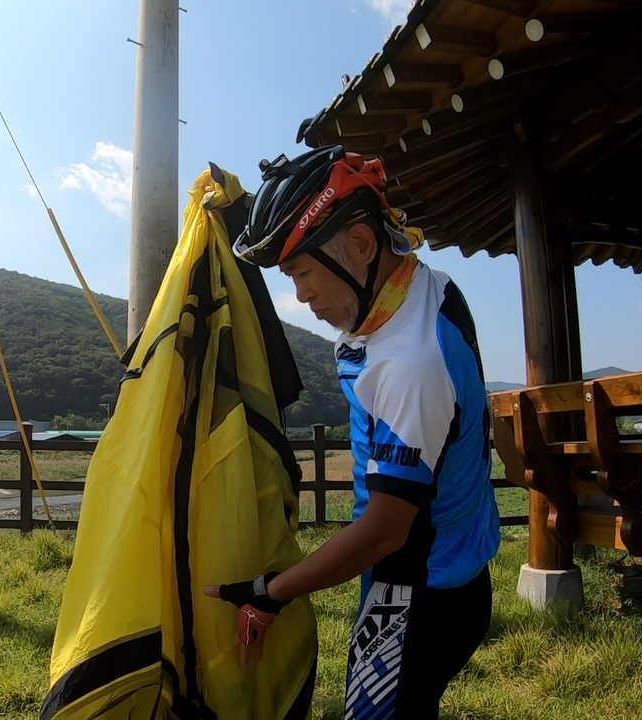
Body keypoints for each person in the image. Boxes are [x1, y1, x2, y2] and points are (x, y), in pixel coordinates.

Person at [205, 146, 500, 719]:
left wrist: (270, 593)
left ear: (362, 245)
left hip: (413, 590)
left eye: (303, 273)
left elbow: (383, 533)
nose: (301, 296)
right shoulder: (426, 289)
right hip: (459, 569)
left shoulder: (411, 365)